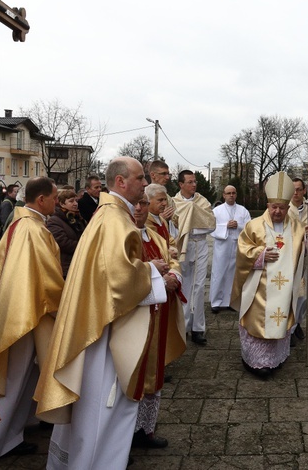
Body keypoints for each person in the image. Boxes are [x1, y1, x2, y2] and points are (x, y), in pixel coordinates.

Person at [34, 157, 167, 470]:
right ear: (120, 182)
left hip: (95, 321)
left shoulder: (108, 214)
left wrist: (147, 270)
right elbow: (120, 281)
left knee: (92, 405)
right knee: (104, 404)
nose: (144, 183)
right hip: (105, 331)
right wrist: (156, 274)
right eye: (139, 178)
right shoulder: (116, 221)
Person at [0, 177, 63, 461]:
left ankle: (11, 436)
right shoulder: (32, 229)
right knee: (11, 380)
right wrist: (68, 300)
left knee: (23, 379)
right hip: (21, 317)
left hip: (24, 310)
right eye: (55, 197)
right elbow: (47, 280)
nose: (57, 201)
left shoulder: (26, 224)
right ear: (41, 199)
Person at [230, 172, 306, 378]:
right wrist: (260, 255)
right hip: (259, 286)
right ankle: (255, 360)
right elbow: (242, 250)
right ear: (268, 205)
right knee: (258, 321)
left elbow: (306, 252)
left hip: (285, 287)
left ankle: (274, 358)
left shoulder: (297, 227)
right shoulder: (254, 226)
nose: (278, 211)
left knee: (280, 321)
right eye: (274, 207)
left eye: (282, 207)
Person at [131, 192, 186, 449]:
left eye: (143, 203)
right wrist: (158, 279)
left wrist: (174, 275)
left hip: (159, 313)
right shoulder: (125, 238)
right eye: (136, 204)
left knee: (154, 371)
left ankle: (145, 429)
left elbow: (171, 258)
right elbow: (122, 276)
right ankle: (127, 434)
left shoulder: (154, 235)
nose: (140, 208)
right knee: (135, 373)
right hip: (135, 318)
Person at [172, 170, 215, 345]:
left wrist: (192, 227)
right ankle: (183, 325)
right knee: (183, 285)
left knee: (198, 287)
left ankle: (198, 328)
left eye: (194, 181)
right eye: (189, 182)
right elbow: (171, 225)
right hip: (181, 245)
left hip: (199, 244)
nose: (194, 185)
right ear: (181, 184)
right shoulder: (174, 203)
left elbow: (210, 224)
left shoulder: (202, 201)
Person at [210, 185, 250, 313]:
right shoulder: (217, 211)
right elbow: (211, 227)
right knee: (219, 272)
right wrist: (225, 226)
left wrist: (238, 226)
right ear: (224, 195)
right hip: (222, 245)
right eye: (228, 193)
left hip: (238, 245)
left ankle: (230, 301)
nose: (231, 195)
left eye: (233, 193)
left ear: (236, 194)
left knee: (233, 274)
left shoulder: (243, 210)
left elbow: (250, 227)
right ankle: (215, 302)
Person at [288, 178, 308, 342]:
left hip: (306, 258)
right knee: (292, 293)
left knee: (304, 295)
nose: (296, 193)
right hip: (291, 258)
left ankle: (298, 322)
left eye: (299, 189)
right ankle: (289, 329)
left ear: (304, 191)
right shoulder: (285, 209)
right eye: (293, 189)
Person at [47, 188, 88, 278]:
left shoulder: (78, 217)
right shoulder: (55, 220)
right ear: (62, 204)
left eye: (76, 201)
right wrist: (84, 245)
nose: (75, 204)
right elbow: (62, 242)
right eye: (71, 201)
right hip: (66, 266)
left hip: (79, 263)